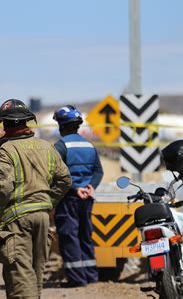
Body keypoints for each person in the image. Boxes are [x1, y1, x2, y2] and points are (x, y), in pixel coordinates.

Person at [0, 99, 72, 298]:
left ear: (5, 124)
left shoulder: (6, 151)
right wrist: (48, 202)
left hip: (16, 219)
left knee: (20, 275)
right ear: (26, 122)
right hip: (42, 217)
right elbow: (65, 179)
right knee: (36, 272)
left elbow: (4, 187)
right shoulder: (46, 147)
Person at [52, 105, 104, 288]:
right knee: (85, 236)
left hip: (69, 199)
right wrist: (91, 186)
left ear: (61, 125)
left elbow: (56, 173)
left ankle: (77, 279)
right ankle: (91, 276)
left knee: (69, 237)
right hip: (87, 198)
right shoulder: (89, 145)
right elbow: (98, 171)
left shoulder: (61, 146)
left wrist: (75, 189)